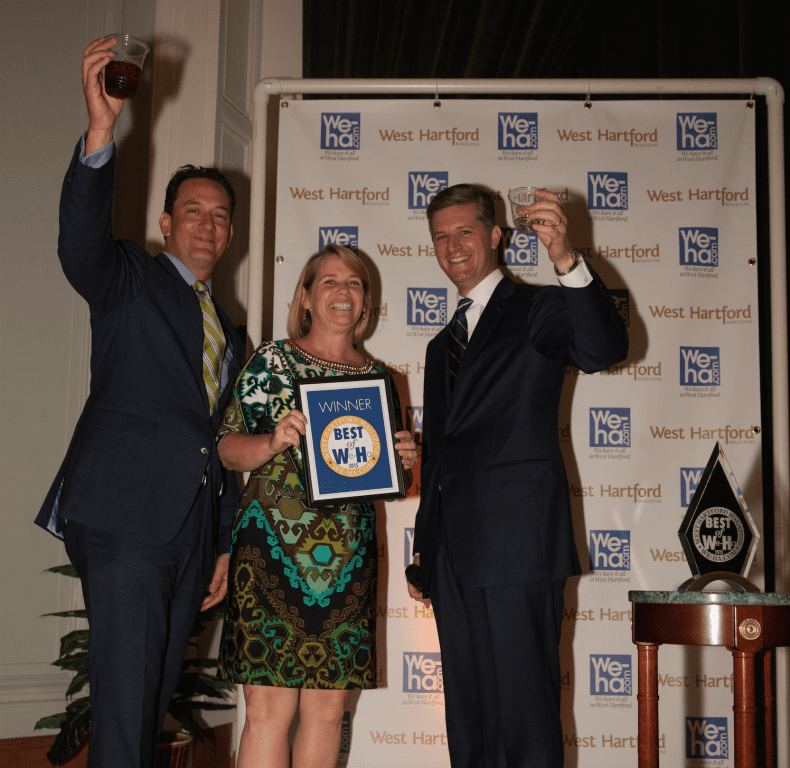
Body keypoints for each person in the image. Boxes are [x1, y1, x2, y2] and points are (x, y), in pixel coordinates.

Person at [34, 37, 244, 768]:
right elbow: (78, 242)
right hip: (125, 516)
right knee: (127, 708)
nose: (207, 225)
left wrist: (220, 540)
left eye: (221, 216)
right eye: (193, 211)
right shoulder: (128, 277)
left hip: (188, 534)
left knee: (147, 701)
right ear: (165, 223)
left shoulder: (230, 330)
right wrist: (100, 132)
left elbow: (220, 442)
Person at [406, 184, 629, 767]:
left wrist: (566, 261)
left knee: (524, 718)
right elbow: (444, 455)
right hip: (452, 555)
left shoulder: (537, 308)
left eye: (465, 232)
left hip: (517, 547)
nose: (452, 246)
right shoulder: (438, 346)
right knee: (469, 718)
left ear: (496, 236)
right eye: (441, 236)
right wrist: (425, 551)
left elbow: (602, 348)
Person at [216, 244, 418, 768]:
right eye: (328, 281)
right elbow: (227, 445)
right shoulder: (272, 361)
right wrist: (273, 443)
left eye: (354, 283)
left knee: (329, 711)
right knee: (267, 710)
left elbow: (386, 486)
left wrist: (404, 462)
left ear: (366, 302)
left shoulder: (382, 380)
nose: (343, 292)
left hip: (345, 563)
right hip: (269, 558)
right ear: (305, 297)